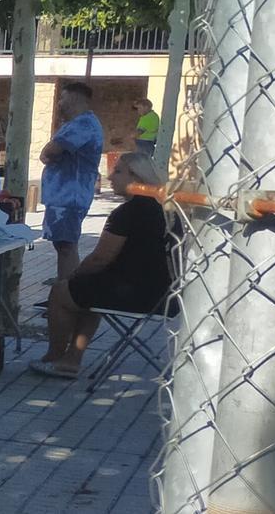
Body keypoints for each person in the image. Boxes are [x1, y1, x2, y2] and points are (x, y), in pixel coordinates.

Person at [31, 152, 171, 378]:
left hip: (136, 294)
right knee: (88, 291)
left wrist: (73, 276)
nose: (110, 176)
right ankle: (72, 359)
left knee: (61, 291)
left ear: (135, 177)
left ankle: (55, 356)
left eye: (117, 171)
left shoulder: (128, 212)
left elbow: (100, 259)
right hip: (162, 294)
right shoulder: (161, 209)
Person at [40, 81, 105, 282]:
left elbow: (49, 152)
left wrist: (51, 152)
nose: (59, 103)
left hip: (69, 195)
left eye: (62, 98)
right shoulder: (74, 124)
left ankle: (66, 294)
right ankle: (64, 286)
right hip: (62, 195)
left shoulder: (82, 125)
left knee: (66, 245)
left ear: (74, 99)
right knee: (62, 244)